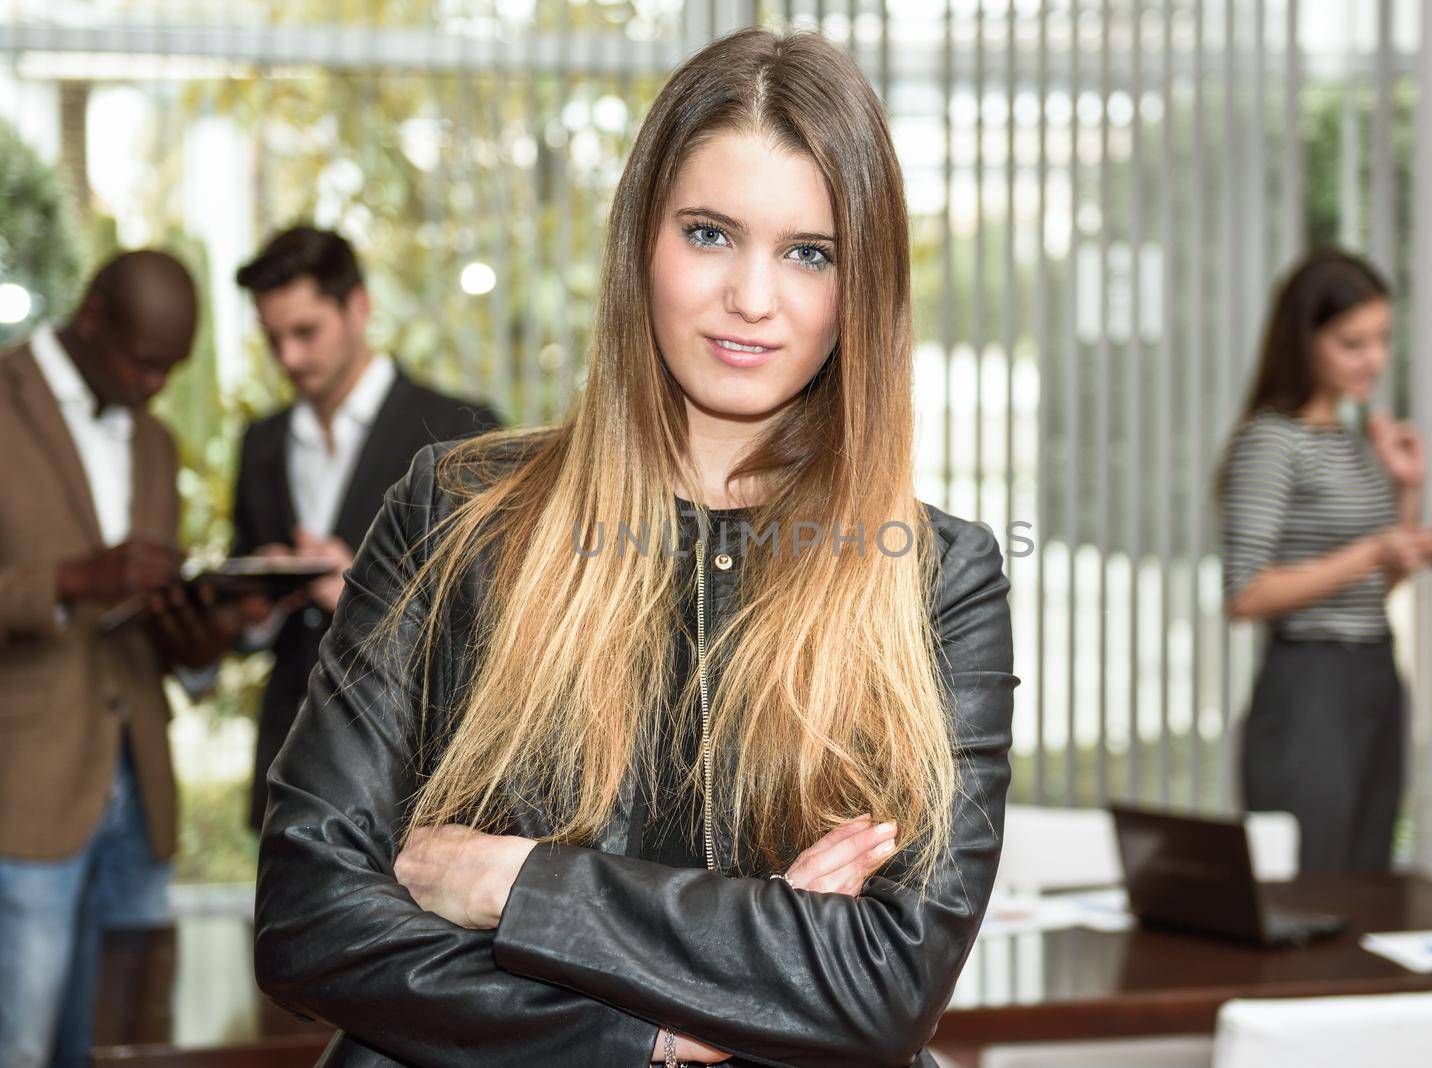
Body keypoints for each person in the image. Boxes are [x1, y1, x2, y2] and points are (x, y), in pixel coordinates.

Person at [253, 28, 1018, 1067]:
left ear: (860, 287)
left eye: (809, 252)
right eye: (709, 234)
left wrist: (514, 885)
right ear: (640, 243)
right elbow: (309, 915)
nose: (752, 297)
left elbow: (884, 987)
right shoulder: (459, 511)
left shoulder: (936, 578)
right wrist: (655, 1022)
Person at [0, 251, 243, 1068]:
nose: (154, 388)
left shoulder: (156, 444)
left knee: (125, 1044)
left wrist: (202, 637)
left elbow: (149, 629)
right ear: (93, 316)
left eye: (171, 370)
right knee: (23, 1047)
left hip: (140, 797)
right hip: (23, 798)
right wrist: (72, 580)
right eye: (145, 364)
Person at [230, 225, 501, 832]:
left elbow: (490, 617)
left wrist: (363, 589)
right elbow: (246, 617)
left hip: (415, 775)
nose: (289, 359)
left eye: (305, 333)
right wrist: (256, 601)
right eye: (273, 339)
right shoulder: (262, 444)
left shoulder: (460, 428)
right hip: (289, 766)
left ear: (359, 306)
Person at [1219, 250, 1432, 874]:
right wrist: (1369, 551)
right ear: (1305, 343)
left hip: (1375, 674)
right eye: (1353, 343)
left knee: (1368, 880)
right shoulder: (1271, 440)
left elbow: (1378, 584)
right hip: (1308, 687)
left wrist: (1407, 487)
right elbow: (1244, 595)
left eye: (1382, 339)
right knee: (1313, 881)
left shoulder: (1352, 443)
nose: (1374, 358)